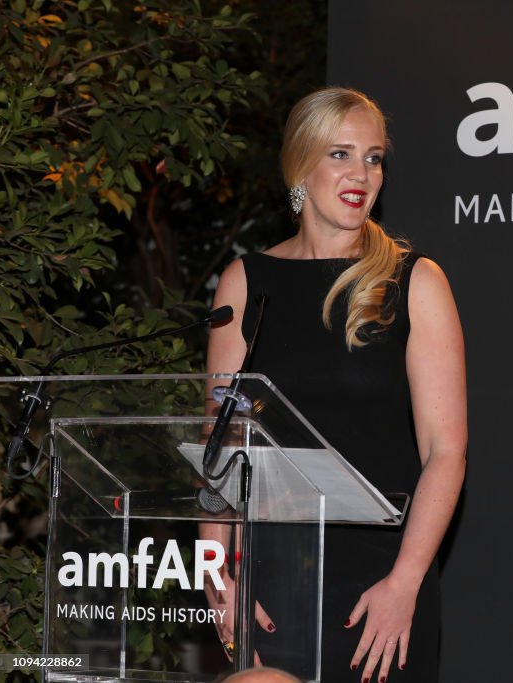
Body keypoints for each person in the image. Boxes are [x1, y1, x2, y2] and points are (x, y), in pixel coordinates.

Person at [204, 87, 467, 683]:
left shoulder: (414, 281)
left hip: (381, 583)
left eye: (373, 158)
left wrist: (407, 582)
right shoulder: (246, 283)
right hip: (270, 585)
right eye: (341, 155)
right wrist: (219, 567)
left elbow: (446, 453)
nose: (362, 175)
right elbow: (221, 444)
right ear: (300, 165)